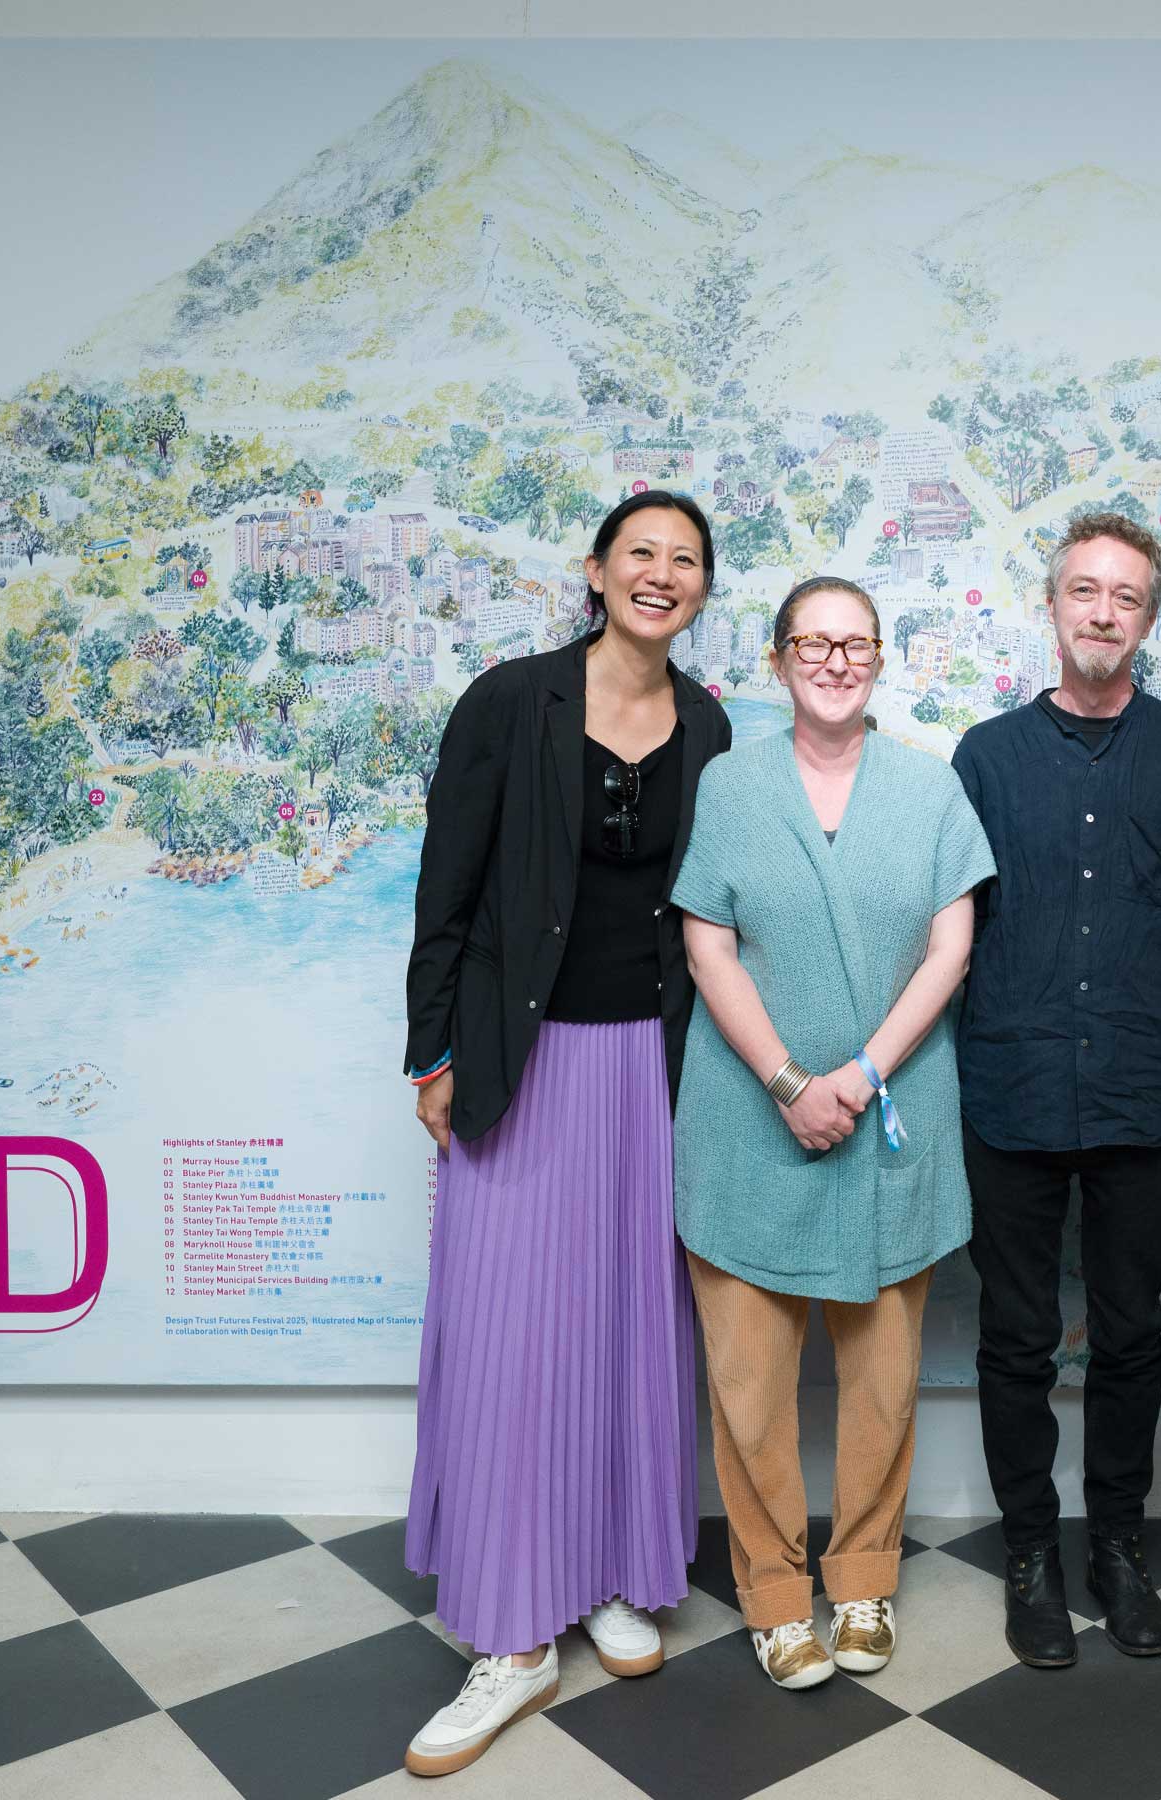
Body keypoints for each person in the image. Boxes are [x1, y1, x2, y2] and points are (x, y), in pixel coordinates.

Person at [399, 490, 731, 1775]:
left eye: (684, 560)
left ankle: (608, 1575)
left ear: (702, 590)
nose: (661, 573)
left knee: (629, 1329)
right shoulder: (509, 701)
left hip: (652, 1066)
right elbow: (446, 884)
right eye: (640, 552)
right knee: (510, 1340)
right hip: (518, 1060)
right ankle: (510, 1635)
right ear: (595, 571)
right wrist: (433, 1050)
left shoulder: (708, 723)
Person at [672, 576, 996, 1691]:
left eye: (855, 644)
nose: (835, 661)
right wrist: (786, 1080)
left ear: (880, 661)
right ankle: (773, 1596)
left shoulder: (930, 787)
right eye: (812, 643)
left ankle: (862, 1581)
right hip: (746, 1118)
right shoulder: (730, 784)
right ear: (778, 661)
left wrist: (857, 1077)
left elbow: (952, 949)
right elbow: (707, 945)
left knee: (884, 1381)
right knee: (749, 1384)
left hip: (889, 1115)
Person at [953, 512, 1161, 1667]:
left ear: (1149, 619)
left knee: (1129, 1338)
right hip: (1011, 1085)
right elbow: (956, 928)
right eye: (1085, 591)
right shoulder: (984, 757)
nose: (1103, 612)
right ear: (1053, 605)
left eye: (1126, 596)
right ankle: (1031, 1556)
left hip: (1138, 1087)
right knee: (1016, 1340)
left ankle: (1117, 1549)